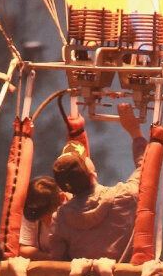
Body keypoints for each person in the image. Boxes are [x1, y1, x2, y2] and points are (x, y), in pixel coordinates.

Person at [48, 103, 147, 261]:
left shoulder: (60, 218)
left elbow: (58, 261)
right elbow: (147, 169)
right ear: (92, 173)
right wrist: (135, 132)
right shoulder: (125, 197)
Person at [18, 176, 65, 260]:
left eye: (46, 214)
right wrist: (50, 257)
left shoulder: (74, 211)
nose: (43, 220)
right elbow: (24, 249)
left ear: (61, 198)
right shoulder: (31, 211)